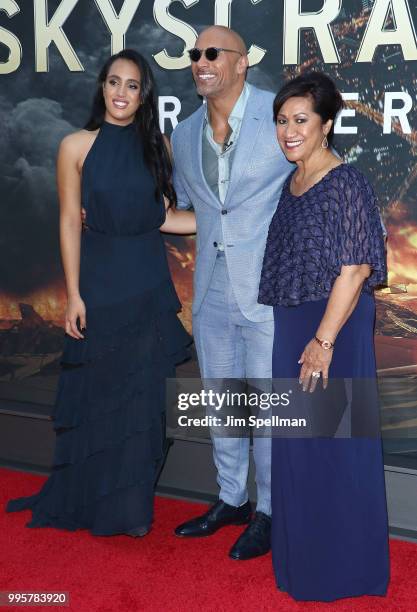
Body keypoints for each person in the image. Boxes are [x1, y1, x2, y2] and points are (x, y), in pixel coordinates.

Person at [7, 50, 195, 536]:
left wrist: (233, 218)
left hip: (147, 285)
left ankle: (129, 513)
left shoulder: (161, 148)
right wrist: (73, 294)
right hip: (99, 284)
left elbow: (165, 218)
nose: (121, 92)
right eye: (114, 82)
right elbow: (70, 221)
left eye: (132, 85)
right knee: (100, 397)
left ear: (144, 95)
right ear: (102, 87)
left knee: (140, 401)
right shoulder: (75, 146)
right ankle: (89, 498)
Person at [258, 71, 390, 600]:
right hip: (294, 324)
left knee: (334, 449)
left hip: (331, 328)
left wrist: (324, 340)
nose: (289, 131)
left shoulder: (345, 182)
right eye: (282, 121)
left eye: (301, 120)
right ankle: (304, 563)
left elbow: (356, 269)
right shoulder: (292, 182)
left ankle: (343, 571)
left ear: (326, 125)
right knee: (300, 447)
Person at [171, 26, 292, 560]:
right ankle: (231, 499)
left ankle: (269, 510)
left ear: (242, 63)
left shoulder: (279, 114)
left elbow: (313, 180)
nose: (201, 61)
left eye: (213, 53)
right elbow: (197, 213)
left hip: (267, 289)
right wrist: (122, 218)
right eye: (195, 54)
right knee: (223, 404)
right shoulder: (183, 132)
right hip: (210, 291)